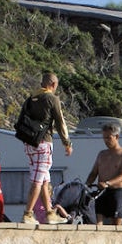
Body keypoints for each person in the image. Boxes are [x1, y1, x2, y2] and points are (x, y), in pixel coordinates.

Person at [21, 71, 72, 225]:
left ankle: (49, 213)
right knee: (37, 180)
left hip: (29, 143)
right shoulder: (51, 99)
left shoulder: (30, 99)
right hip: (43, 143)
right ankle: (28, 214)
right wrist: (67, 143)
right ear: (53, 85)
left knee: (44, 180)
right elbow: (60, 122)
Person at [85, 122, 122, 226]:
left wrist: (108, 183)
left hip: (116, 192)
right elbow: (94, 173)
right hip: (101, 192)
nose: (106, 140)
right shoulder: (102, 154)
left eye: (108, 138)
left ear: (117, 137)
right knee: (97, 222)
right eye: (104, 138)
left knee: (116, 225)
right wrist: (86, 184)